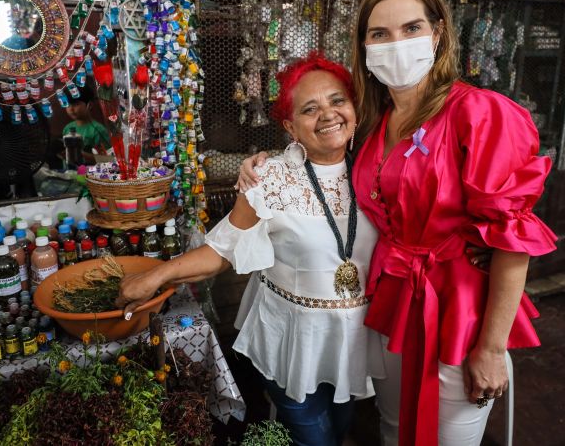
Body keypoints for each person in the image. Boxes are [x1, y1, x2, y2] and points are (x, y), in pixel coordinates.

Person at [238, 0, 557, 445]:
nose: (397, 43)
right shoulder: (372, 123)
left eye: (411, 29)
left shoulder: (478, 113)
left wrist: (491, 347)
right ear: (365, 49)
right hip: (392, 304)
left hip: (455, 307)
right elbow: (321, 156)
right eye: (379, 34)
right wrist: (263, 165)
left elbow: (512, 235)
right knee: (392, 427)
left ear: (438, 33)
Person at [117, 53, 388, 446]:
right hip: (290, 340)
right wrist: (158, 275)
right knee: (318, 438)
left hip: (351, 338)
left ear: (355, 110)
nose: (328, 114)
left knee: (341, 422)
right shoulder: (270, 177)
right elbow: (223, 250)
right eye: (309, 109)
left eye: (337, 101)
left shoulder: (377, 169)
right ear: (290, 127)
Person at [61, 83, 111, 164]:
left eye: (76, 104)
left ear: (89, 105)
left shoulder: (98, 130)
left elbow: (108, 159)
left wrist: (81, 155)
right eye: (67, 105)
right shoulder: (67, 128)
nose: (71, 109)